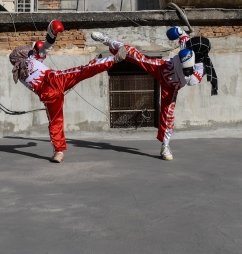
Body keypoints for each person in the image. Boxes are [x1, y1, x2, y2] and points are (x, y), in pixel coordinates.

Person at [91, 27, 218, 161]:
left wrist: (188, 69)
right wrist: (179, 31)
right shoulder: (188, 45)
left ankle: (165, 146)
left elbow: (192, 81)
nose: (187, 46)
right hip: (162, 67)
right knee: (134, 54)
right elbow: (183, 35)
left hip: (172, 86)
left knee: (168, 115)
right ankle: (107, 40)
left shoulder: (201, 66)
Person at [10, 20, 127, 163]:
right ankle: (112, 59)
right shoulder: (31, 59)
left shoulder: (18, 74)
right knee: (82, 71)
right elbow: (45, 48)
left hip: (47, 95)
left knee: (55, 122)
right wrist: (52, 33)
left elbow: (41, 54)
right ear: (22, 54)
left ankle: (58, 152)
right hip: (54, 79)